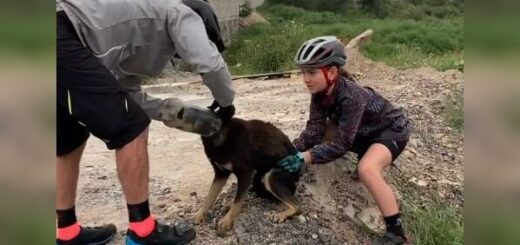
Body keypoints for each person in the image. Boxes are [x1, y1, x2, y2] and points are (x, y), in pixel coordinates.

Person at [56, 0, 235, 244]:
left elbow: (124, 91)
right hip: (59, 32)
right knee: (133, 127)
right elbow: (211, 65)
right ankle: (142, 231)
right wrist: (226, 103)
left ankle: (67, 232)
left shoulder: (138, 23)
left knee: (70, 137)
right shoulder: (180, 12)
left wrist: (167, 111)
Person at [277, 36, 411, 245]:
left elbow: (341, 145)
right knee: (321, 133)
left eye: (311, 72)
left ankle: (397, 234)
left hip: (390, 131)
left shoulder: (352, 95)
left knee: (367, 169)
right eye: (303, 72)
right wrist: (287, 152)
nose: (305, 78)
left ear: (331, 72)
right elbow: (313, 131)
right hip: (362, 132)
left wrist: (305, 157)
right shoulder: (319, 94)